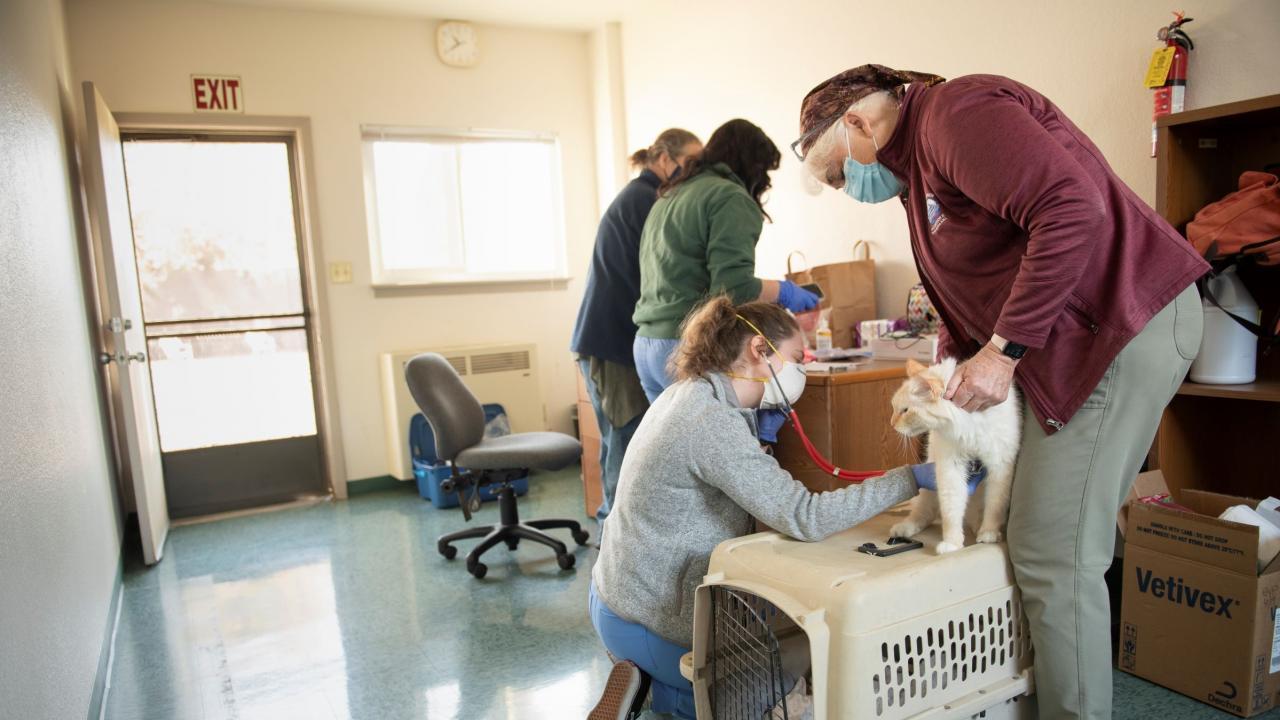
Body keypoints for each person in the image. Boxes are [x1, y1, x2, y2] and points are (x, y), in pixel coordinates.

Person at [793, 64, 1209, 719]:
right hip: (1075, 344)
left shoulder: (955, 113)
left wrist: (1003, 351)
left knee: (1051, 550)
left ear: (858, 124)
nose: (850, 189)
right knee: (1036, 527)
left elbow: (1071, 207)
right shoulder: (920, 170)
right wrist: (955, 368)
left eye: (841, 175)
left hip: (1118, 325)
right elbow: (971, 286)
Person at [587, 297, 980, 720]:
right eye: (796, 358)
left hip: (619, 597)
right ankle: (656, 692)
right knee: (785, 680)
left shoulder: (689, 394)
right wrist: (911, 478)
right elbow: (805, 516)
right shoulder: (710, 421)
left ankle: (649, 679)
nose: (802, 370)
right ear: (759, 350)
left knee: (787, 638)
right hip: (649, 620)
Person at [631, 119, 820, 407]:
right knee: (719, 435)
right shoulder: (729, 196)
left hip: (646, 345)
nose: (764, 181)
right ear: (751, 165)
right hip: (682, 346)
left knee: (675, 435)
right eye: (764, 171)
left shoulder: (671, 195)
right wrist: (786, 292)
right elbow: (734, 288)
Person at [571, 128, 702, 522]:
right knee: (625, 442)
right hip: (612, 343)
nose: (693, 172)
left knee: (624, 442)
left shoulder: (642, 196)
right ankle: (612, 538)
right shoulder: (647, 200)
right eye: (689, 163)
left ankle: (614, 529)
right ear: (663, 158)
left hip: (609, 338)